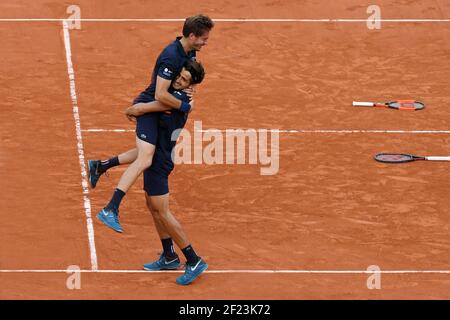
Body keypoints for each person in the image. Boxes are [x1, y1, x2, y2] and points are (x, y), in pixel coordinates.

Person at [87, 15, 214, 233]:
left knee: (147, 152)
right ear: (191, 36)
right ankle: (111, 208)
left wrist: (190, 92)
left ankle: (101, 166)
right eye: (203, 38)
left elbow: (188, 80)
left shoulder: (189, 52)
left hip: (158, 108)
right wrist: (184, 106)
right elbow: (161, 94)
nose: (206, 42)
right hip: (151, 106)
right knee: (146, 157)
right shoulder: (171, 57)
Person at [94, 60, 209, 285]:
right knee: (153, 207)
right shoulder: (174, 93)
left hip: (160, 162)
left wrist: (131, 109)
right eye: (179, 76)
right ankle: (168, 255)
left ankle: (194, 260)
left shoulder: (176, 101)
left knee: (163, 211)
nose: (178, 80)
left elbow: (141, 109)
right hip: (156, 157)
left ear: (191, 86)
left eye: (184, 80)